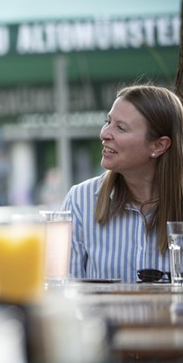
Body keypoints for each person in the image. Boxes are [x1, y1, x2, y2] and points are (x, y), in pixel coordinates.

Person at [62, 84, 183, 283]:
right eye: (107, 122)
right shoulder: (80, 201)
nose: (104, 134)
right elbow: (63, 293)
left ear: (159, 145)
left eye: (121, 127)